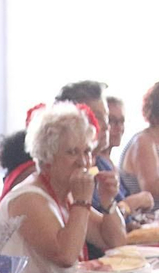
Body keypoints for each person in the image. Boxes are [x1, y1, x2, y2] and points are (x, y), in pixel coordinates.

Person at [0, 104, 125, 273]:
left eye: (87, 151)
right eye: (72, 152)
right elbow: (66, 256)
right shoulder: (27, 198)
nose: (83, 162)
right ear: (47, 157)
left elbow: (116, 242)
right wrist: (82, 202)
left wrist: (108, 202)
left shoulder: (65, 194)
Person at [54, 82, 152, 219]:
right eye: (97, 117)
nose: (107, 126)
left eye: (106, 118)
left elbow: (117, 226)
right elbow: (98, 227)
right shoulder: (66, 174)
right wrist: (129, 205)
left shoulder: (102, 164)